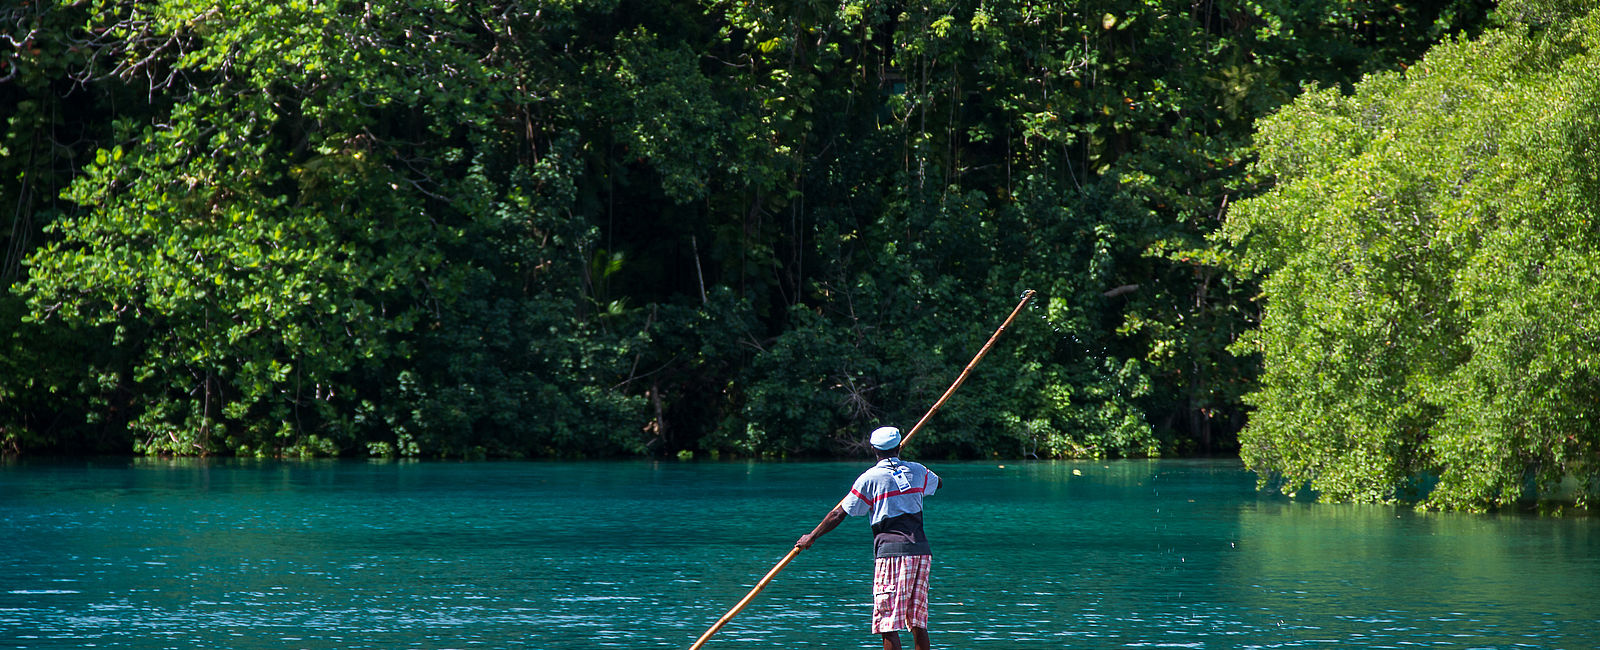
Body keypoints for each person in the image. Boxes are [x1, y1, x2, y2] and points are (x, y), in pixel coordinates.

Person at [796, 426, 942, 650]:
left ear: (873, 449)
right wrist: (910, 472)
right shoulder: (918, 470)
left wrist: (811, 537)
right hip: (921, 551)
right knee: (917, 621)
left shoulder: (870, 478)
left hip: (892, 554)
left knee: (887, 623)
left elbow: (838, 513)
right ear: (899, 446)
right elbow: (938, 483)